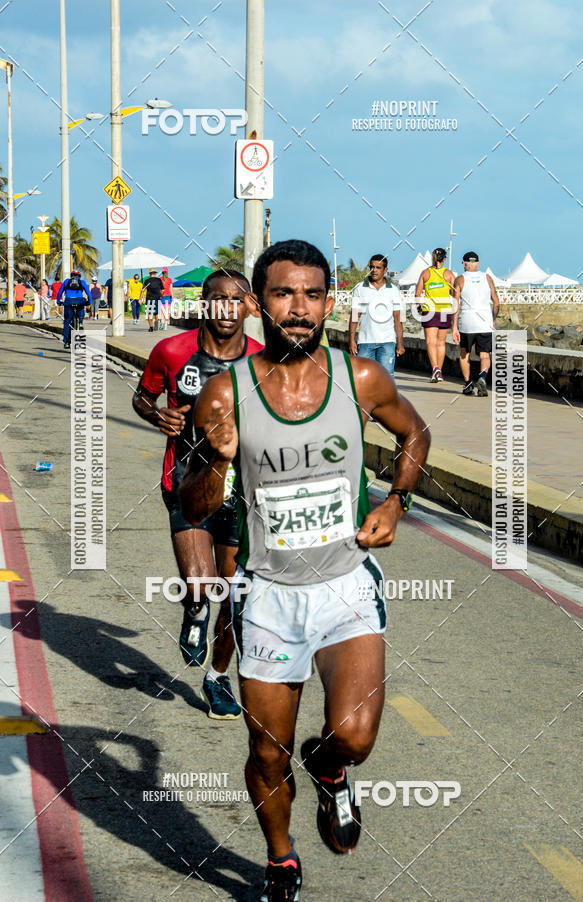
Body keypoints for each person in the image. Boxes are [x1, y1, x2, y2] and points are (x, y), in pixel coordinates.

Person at [179, 240, 430, 901]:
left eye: (313, 295)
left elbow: (416, 435)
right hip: (267, 596)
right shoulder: (223, 394)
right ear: (260, 302)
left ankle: (330, 768)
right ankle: (281, 857)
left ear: (329, 303)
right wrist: (215, 460)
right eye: (284, 294)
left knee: (354, 733)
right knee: (267, 754)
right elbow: (194, 505)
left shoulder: (361, 380)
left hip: (346, 585)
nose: (299, 308)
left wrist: (396, 500)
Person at [133, 270, 263, 719]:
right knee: (202, 585)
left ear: (248, 306)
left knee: (237, 594)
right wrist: (158, 416)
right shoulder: (171, 350)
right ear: (203, 304)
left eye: (237, 299)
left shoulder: (264, 362)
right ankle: (193, 609)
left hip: (243, 493)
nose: (227, 308)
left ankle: (217, 677)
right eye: (218, 299)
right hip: (185, 483)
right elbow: (142, 398)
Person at [452, 251, 499, 396]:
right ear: (478, 263)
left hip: (467, 323)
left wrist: (454, 327)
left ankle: (467, 384)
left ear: (464, 263)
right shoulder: (487, 278)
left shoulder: (460, 279)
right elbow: (496, 303)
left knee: (464, 353)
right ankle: (482, 376)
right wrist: (493, 319)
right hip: (485, 322)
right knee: (485, 355)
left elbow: (455, 304)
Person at [349, 253, 405, 375]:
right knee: (364, 377)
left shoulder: (394, 290)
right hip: (365, 341)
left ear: (385, 270)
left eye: (378, 268)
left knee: (386, 378)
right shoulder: (359, 288)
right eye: (372, 267)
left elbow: (397, 318)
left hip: (387, 341)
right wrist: (351, 340)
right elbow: (354, 315)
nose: (374, 270)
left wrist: (400, 343)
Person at [415, 247, 455, 382]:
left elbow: (417, 294)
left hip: (429, 310)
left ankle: (435, 369)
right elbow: (454, 293)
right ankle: (440, 372)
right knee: (441, 343)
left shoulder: (425, 273)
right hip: (444, 310)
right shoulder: (449, 274)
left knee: (430, 342)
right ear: (444, 259)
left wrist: (419, 307)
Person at [56, 270, 92, 349]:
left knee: (67, 322)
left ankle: (66, 342)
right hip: (79, 300)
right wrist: (89, 302)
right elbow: (89, 293)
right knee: (82, 305)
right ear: (79, 276)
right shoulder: (82, 282)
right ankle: (81, 321)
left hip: (69, 301)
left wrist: (58, 301)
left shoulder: (66, 281)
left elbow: (59, 293)